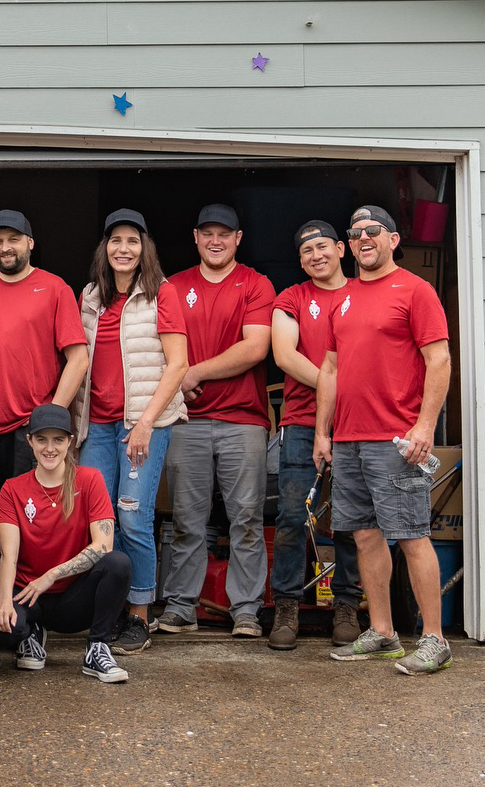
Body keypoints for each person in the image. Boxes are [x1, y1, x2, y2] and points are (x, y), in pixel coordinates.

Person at [318, 205, 453, 675]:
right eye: (354, 233)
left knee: (412, 536)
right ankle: (383, 632)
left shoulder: (416, 291)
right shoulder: (344, 296)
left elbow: (439, 361)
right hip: (349, 438)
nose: (363, 239)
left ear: (393, 239)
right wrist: (323, 432)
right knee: (364, 535)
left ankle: (434, 639)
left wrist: (424, 427)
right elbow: (331, 369)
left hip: (396, 439)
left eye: (372, 231)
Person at [0, 209, 88, 661]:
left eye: (14, 239)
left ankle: (32, 622)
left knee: (33, 526)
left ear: (30, 243)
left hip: (30, 432)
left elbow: (78, 358)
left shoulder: (55, 287)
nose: (4, 247)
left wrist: (50, 417)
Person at [156, 204, 277, 638]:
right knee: (187, 520)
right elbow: (162, 346)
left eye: (224, 234)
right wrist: (176, 379)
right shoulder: (173, 285)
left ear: (238, 238)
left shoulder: (256, 284)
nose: (215, 240)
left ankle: (245, 609)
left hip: (243, 419)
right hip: (186, 420)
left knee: (245, 518)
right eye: (207, 232)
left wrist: (193, 372)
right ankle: (181, 606)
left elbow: (255, 348)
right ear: (195, 236)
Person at [72, 209, 188, 656]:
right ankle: (112, 609)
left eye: (133, 241)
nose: (124, 249)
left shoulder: (163, 293)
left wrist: (143, 423)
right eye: (116, 240)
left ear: (145, 249)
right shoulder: (90, 296)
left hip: (144, 424)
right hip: (96, 425)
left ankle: (140, 615)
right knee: (101, 519)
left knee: (134, 517)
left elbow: (178, 364)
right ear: (105, 247)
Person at [0, 404, 131, 684]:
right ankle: (30, 634)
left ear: (70, 442)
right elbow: (9, 555)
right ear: (29, 441)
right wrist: (5, 601)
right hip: (29, 595)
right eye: (41, 439)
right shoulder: (13, 488)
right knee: (0, 627)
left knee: (118, 563)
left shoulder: (89, 479)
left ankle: (97, 648)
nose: (49, 448)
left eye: (58, 439)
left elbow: (104, 545)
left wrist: (51, 575)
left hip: (72, 599)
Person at [270, 220, 363, 650]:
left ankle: (347, 605)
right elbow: (285, 355)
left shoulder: (364, 294)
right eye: (307, 251)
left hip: (360, 425)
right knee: (292, 518)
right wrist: (337, 389)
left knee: (349, 518)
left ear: (341, 248)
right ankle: (286, 606)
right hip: (302, 422)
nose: (316, 256)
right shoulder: (292, 297)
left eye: (323, 246)